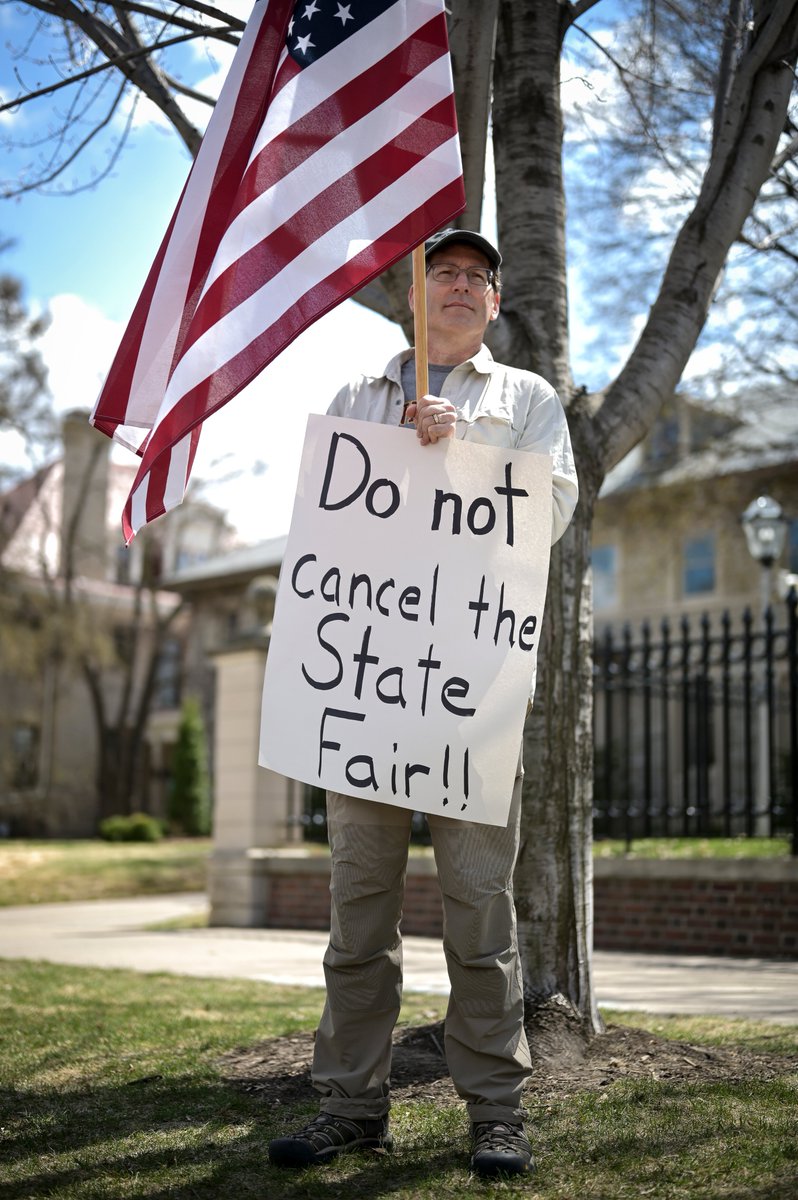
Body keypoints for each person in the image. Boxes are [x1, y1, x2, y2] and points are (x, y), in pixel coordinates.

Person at [268, 229, 578, 1177]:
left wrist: (462, 455)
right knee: (358, 912)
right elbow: (324, 523)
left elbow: (552, 511)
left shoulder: (526, 400)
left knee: (480, 912)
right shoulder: (357, 398)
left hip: (469, 699)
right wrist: (398, 449)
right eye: (443, 273)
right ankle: (350, 1106)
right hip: (366, 696)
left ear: (493, 306)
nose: (459, 287)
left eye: (477, 279)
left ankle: (495, 1110)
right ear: (415, 290)